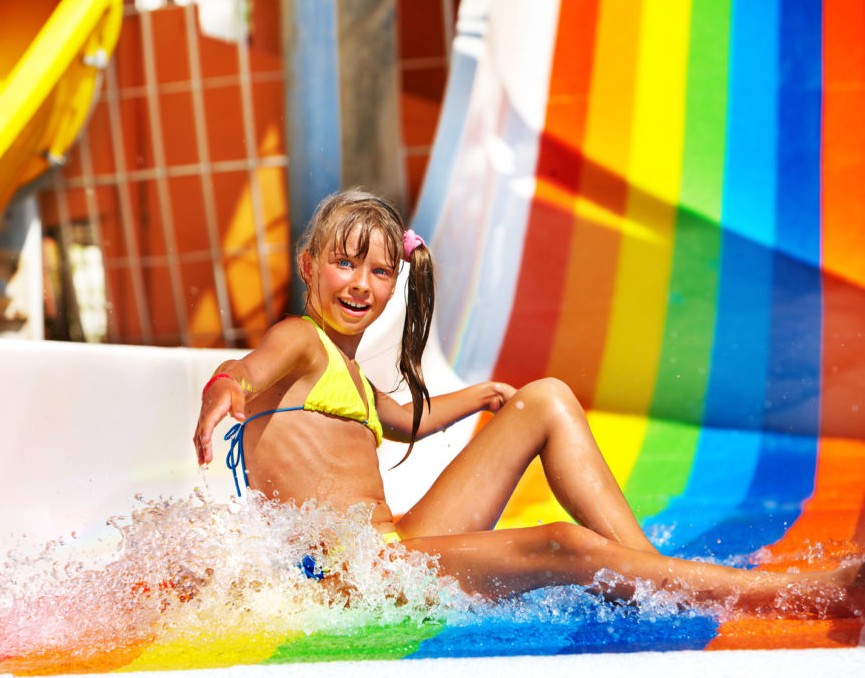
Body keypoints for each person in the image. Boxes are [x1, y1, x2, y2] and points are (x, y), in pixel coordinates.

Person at [193, 189, 863, 617]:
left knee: (545, 398)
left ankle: (656, 581)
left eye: (380, 270)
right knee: (561, 543)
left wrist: (481, 397)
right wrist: (223, 390)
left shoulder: (345, 371)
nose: (361, 283)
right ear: (308, 265)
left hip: (390, 549)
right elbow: (247, 371)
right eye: (344, 263)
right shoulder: (299, 340)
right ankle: (807, 596)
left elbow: (405, 422)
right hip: (353, 578)